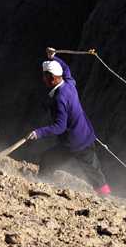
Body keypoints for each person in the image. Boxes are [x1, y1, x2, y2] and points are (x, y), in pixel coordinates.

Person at [27, 47, 111, 199]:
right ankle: (105, 195)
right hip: (86, 137)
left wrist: (39, 133)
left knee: (47, 159)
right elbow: (65, 68)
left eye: (45, 77)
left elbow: (60, 126)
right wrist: (53, 57)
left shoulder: (59, 99)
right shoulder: (70, 84)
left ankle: (45, 187)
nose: (43, 80)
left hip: (71, 143)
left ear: (52, 78)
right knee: (94, 170)